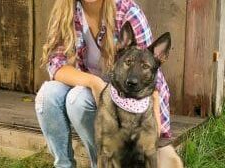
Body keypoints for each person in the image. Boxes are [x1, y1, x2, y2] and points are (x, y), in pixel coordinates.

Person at [35, 0, 172, 167]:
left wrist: (154, 126)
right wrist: (94, 82)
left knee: (77, 100)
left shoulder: (127, 11)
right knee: (47, 94)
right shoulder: (67, 10)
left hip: (128, 97)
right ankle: (63, 165)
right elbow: (57, 66)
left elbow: (147, 68)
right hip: (90, 84)